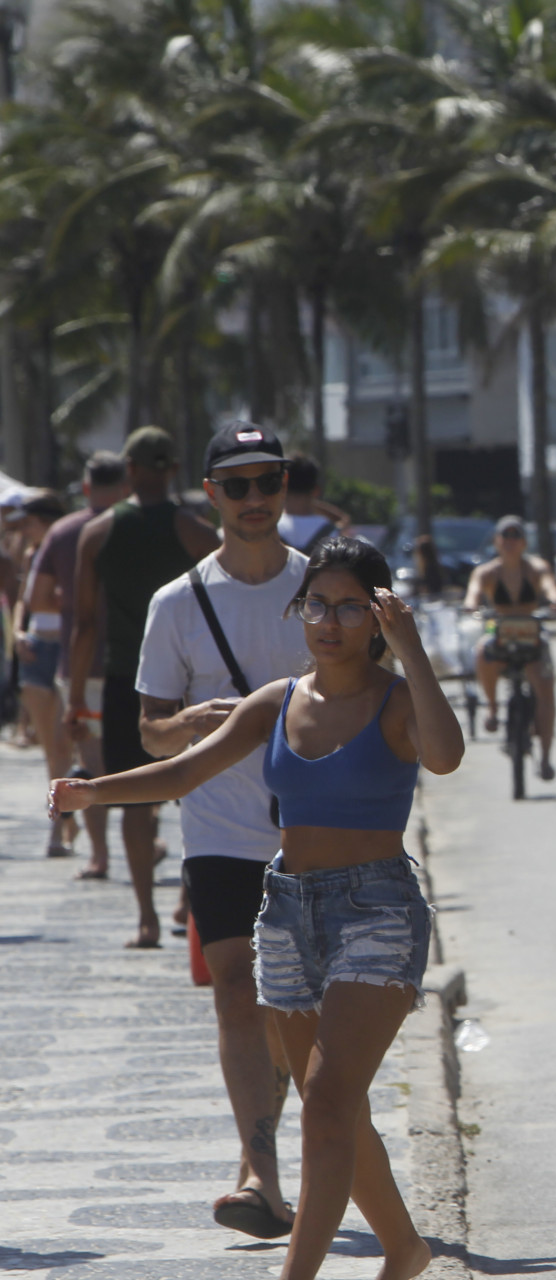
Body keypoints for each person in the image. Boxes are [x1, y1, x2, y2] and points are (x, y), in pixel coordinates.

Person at [52, 536, 461, 1280]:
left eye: (347, 606)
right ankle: (404, 1248)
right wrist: (93, 791)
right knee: (325, 1103)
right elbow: (185, 768)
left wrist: (415, 654)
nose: (328, 621)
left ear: (377, 616)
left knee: (331, 1098)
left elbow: (444, 755)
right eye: (316, 604)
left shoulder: (398, 701)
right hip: (287, 912)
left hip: (378, 910)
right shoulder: (277, 701)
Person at [135, 420, 312, 1239]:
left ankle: (305, 1155)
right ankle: (260, 1174)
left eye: (265, 481)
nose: (252, 499)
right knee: (239, 991)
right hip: (219, 830)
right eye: (234, 485)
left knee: (296, 1004)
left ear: (285, 487)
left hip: (316, 832)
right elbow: (149, 731)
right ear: (210, 495)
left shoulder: (324, 590)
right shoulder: (177, 603)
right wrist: (196, 726)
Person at [68, 427, 221, 947]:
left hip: (123, 681)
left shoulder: (99, 533)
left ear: (130, 470)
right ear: (172, 469)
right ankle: (185, 901)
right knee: (194, 792)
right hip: (187, 681)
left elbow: (85, 625)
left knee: (134, 800)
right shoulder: (197, 533)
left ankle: (146, 917)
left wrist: (73, 699)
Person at [30, 451, 131, 879]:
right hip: (137, 658)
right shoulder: (138, 527)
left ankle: (100, 855)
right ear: (125, 486)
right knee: (139, 755)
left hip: (82, 664)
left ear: (86, 487)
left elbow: (37, 597)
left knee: (90, 758)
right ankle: (148, 837)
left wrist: (70, 603)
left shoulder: (65, 531)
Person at [465, 515, 556, 781]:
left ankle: (545, 757)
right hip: (499, 630)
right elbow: (473, 591)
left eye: (515, 536)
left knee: (546, 690)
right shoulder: (487, 572)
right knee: (483, 650)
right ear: (497, 541)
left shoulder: (535, 568)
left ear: (524, 542)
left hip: (531, 632)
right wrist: (472, 604)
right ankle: (493, 708)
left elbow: (549, 585)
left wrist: (554, 600)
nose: (510, 542)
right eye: (505, 537)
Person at [12, 491, 73, 856]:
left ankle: (66, 823)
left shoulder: (67, 552)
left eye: (31, 523)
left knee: (64, 742)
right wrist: (18, 631)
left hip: (63, 646)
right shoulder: (34, 554)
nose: (25, 529)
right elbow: (23, 598)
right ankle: (61, 826)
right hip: (36, 645)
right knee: (50, 749)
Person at [276, 453, 349, 554]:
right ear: (316, 490)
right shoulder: (333, 532)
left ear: (282, 486)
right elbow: (343, 519)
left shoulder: (270, 528)